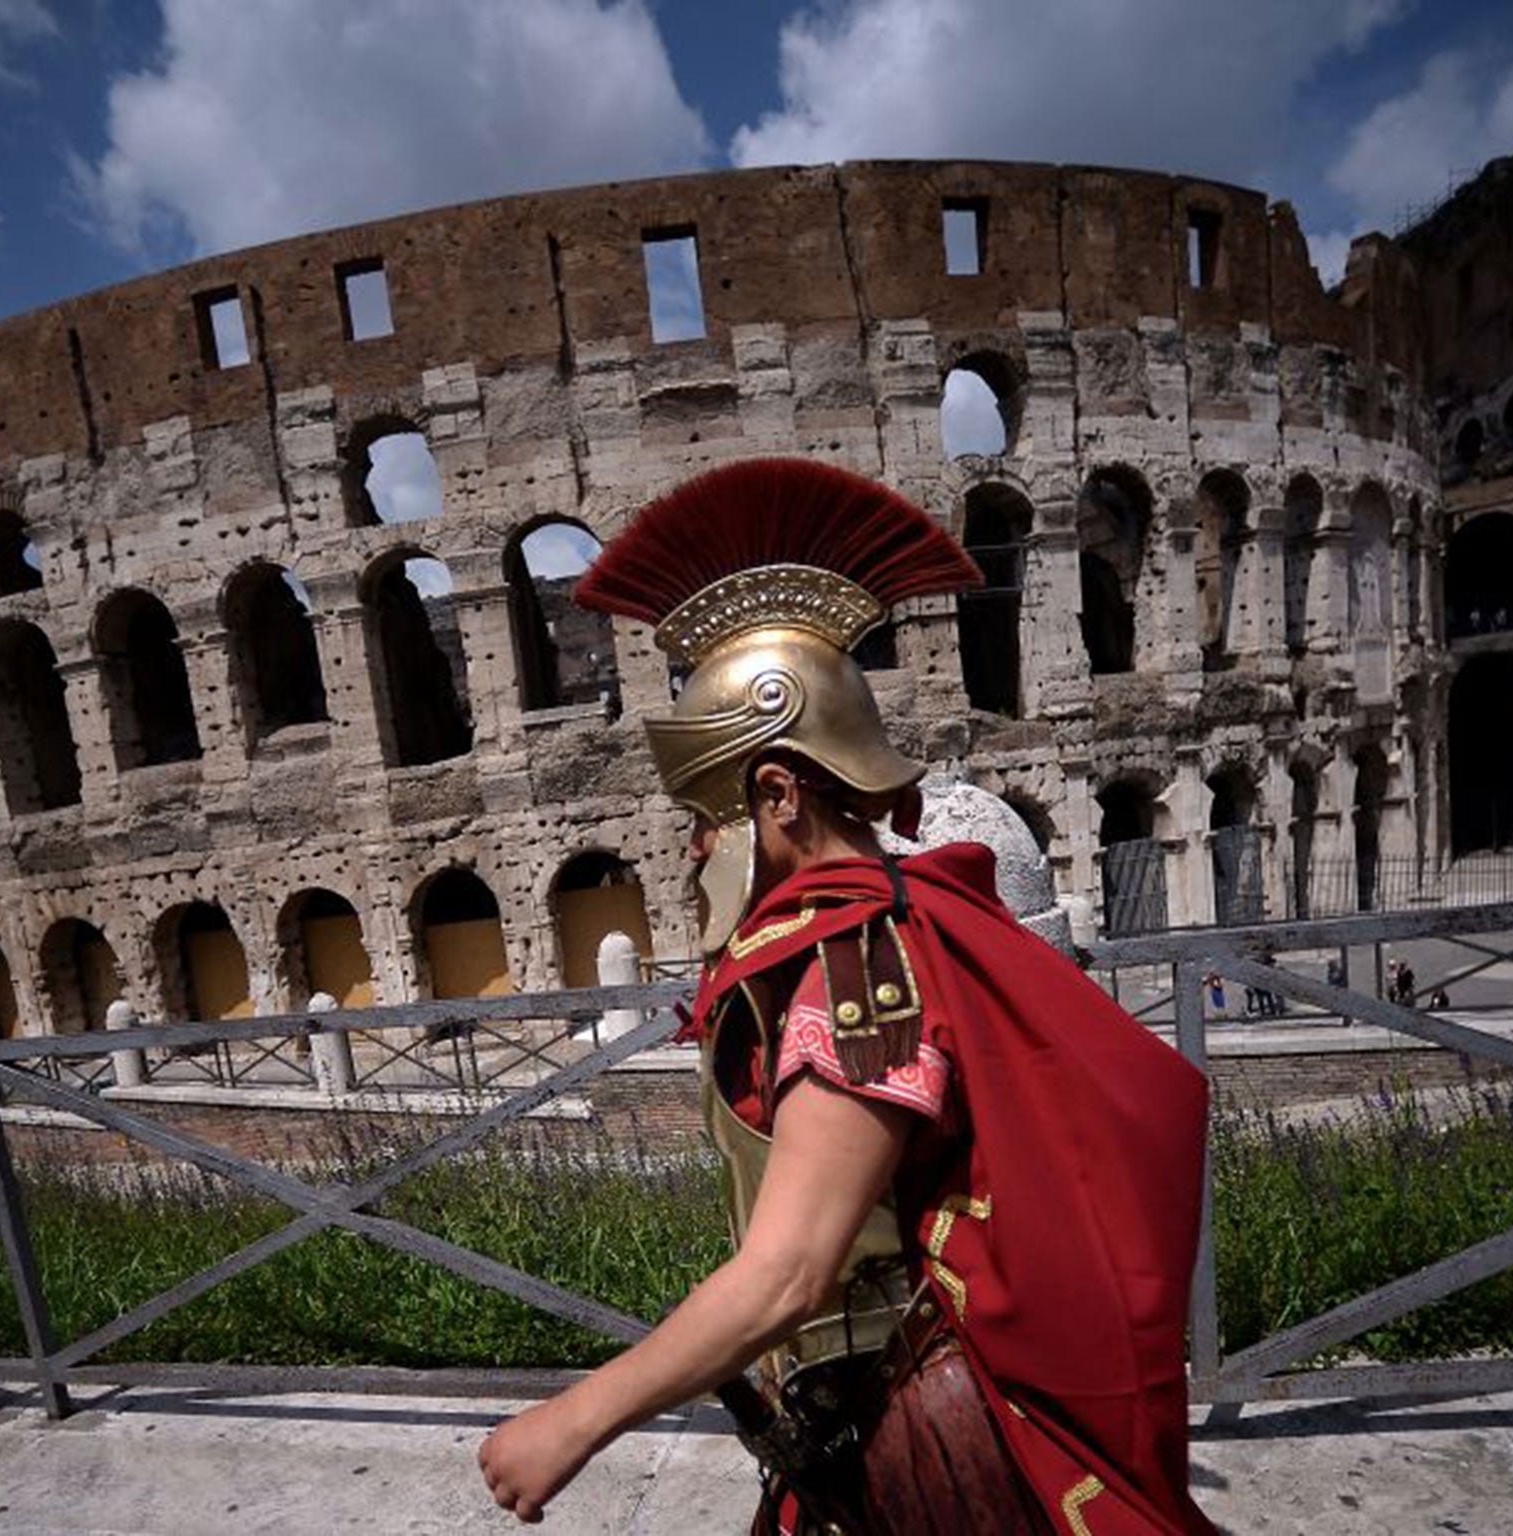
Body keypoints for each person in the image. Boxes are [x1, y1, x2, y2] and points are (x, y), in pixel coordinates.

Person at [478, 460, 1214, 1533]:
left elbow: (788, 1272)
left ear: (775, 793)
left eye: (702, 813)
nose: (689, 850)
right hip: (851, 1418)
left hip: (909, 1440)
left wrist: (572, 1420)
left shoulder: (852, 963)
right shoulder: (864, 926)